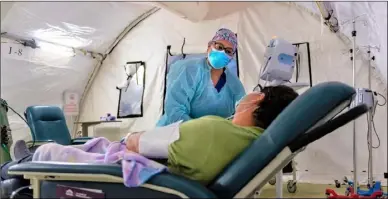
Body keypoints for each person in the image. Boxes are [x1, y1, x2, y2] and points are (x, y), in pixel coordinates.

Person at [1, 85, 298, 190]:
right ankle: (24, 164)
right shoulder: (250, 140)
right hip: (170, 166)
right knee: (103, 144)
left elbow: (135, 143)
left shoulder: (215, 130)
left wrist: (133, 140)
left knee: (64, 151)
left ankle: (32, 159)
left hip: (142, 173)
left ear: (257, 98)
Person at [157, 28, 245, 127]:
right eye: (219, 47)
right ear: (209, 46)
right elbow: (174, 111)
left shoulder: (235, 85)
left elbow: (243, 114)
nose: (223, 53)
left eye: (228, 51)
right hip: (174, 135)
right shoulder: (188, 70)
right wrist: (200, 133)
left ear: (231, 57)